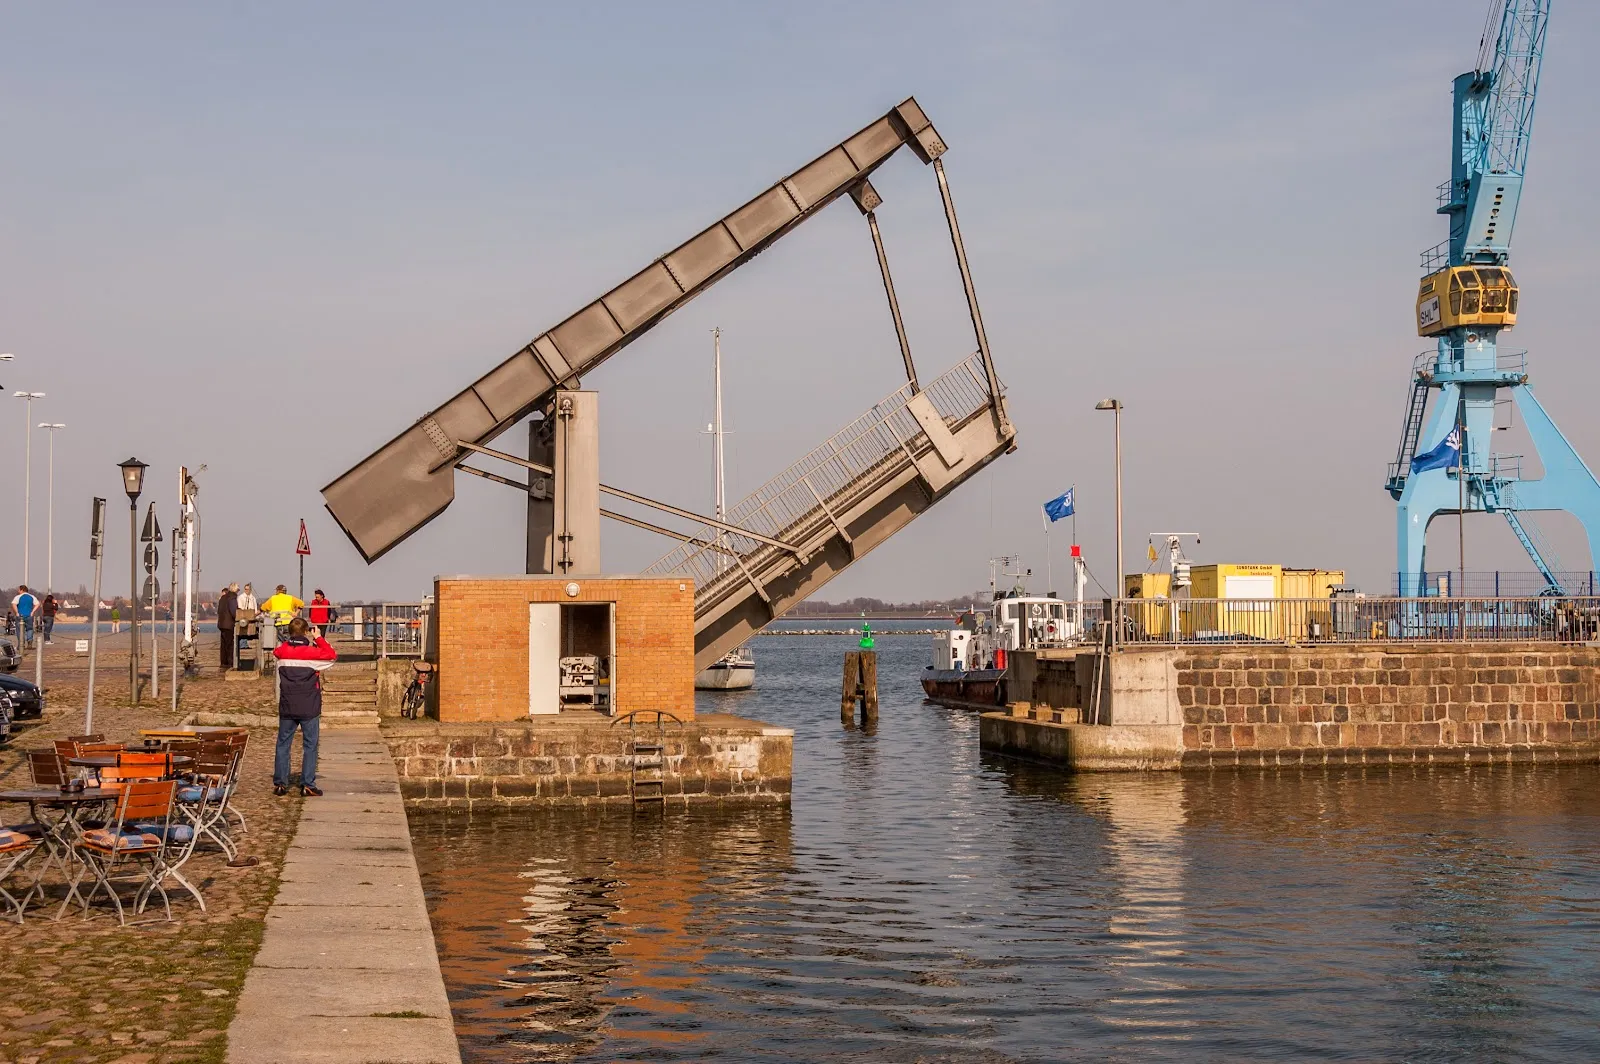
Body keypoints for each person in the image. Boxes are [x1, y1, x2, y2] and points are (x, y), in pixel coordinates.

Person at [272, 617, 337, 797]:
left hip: (287, 705)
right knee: (310, 745)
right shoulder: (311, 653)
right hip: (309, 705)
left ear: (289, 632)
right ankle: (308, 783)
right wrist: (318, 638)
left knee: (283, 744)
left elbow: (276, 652)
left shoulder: (282, 652)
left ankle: (280, 783)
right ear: (306, 631)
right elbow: (331, 656)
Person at [217, 583, 239, 669]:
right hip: (228, 624)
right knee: (230, 644)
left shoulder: (223, 598)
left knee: (223, 644)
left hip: (221, 623)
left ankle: (223, 662)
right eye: (238, 589)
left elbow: (219, 610)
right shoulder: (232, 598)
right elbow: (234, 611)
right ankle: (230, 663)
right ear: (235, 590)